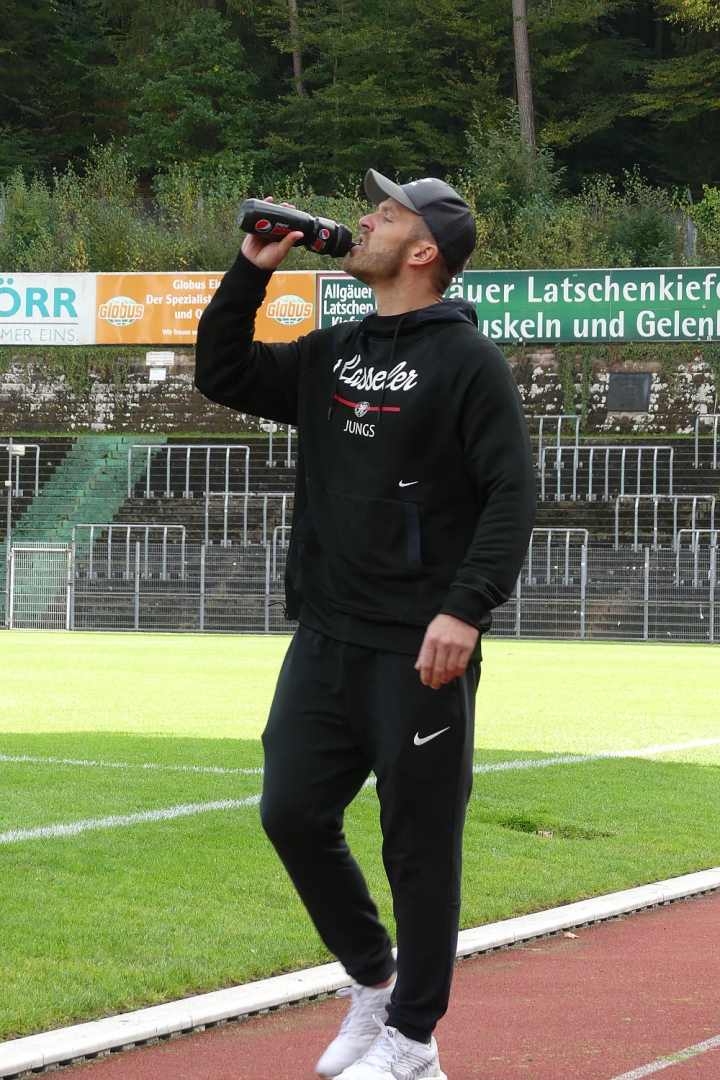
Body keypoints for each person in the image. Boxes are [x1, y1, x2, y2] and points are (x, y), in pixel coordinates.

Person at [194, 169, 536, 1080]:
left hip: (419, 647)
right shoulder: (332, 351)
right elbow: (223, 373)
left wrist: (465, 607)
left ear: (423, 251)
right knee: (292, 813)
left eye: (385, 213)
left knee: (418, 846)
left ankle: (414, 1042)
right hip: (326, 633)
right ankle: (375, 983)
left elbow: (511, 493)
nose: (363, 221)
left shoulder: (468, 361)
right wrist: (251, 270)